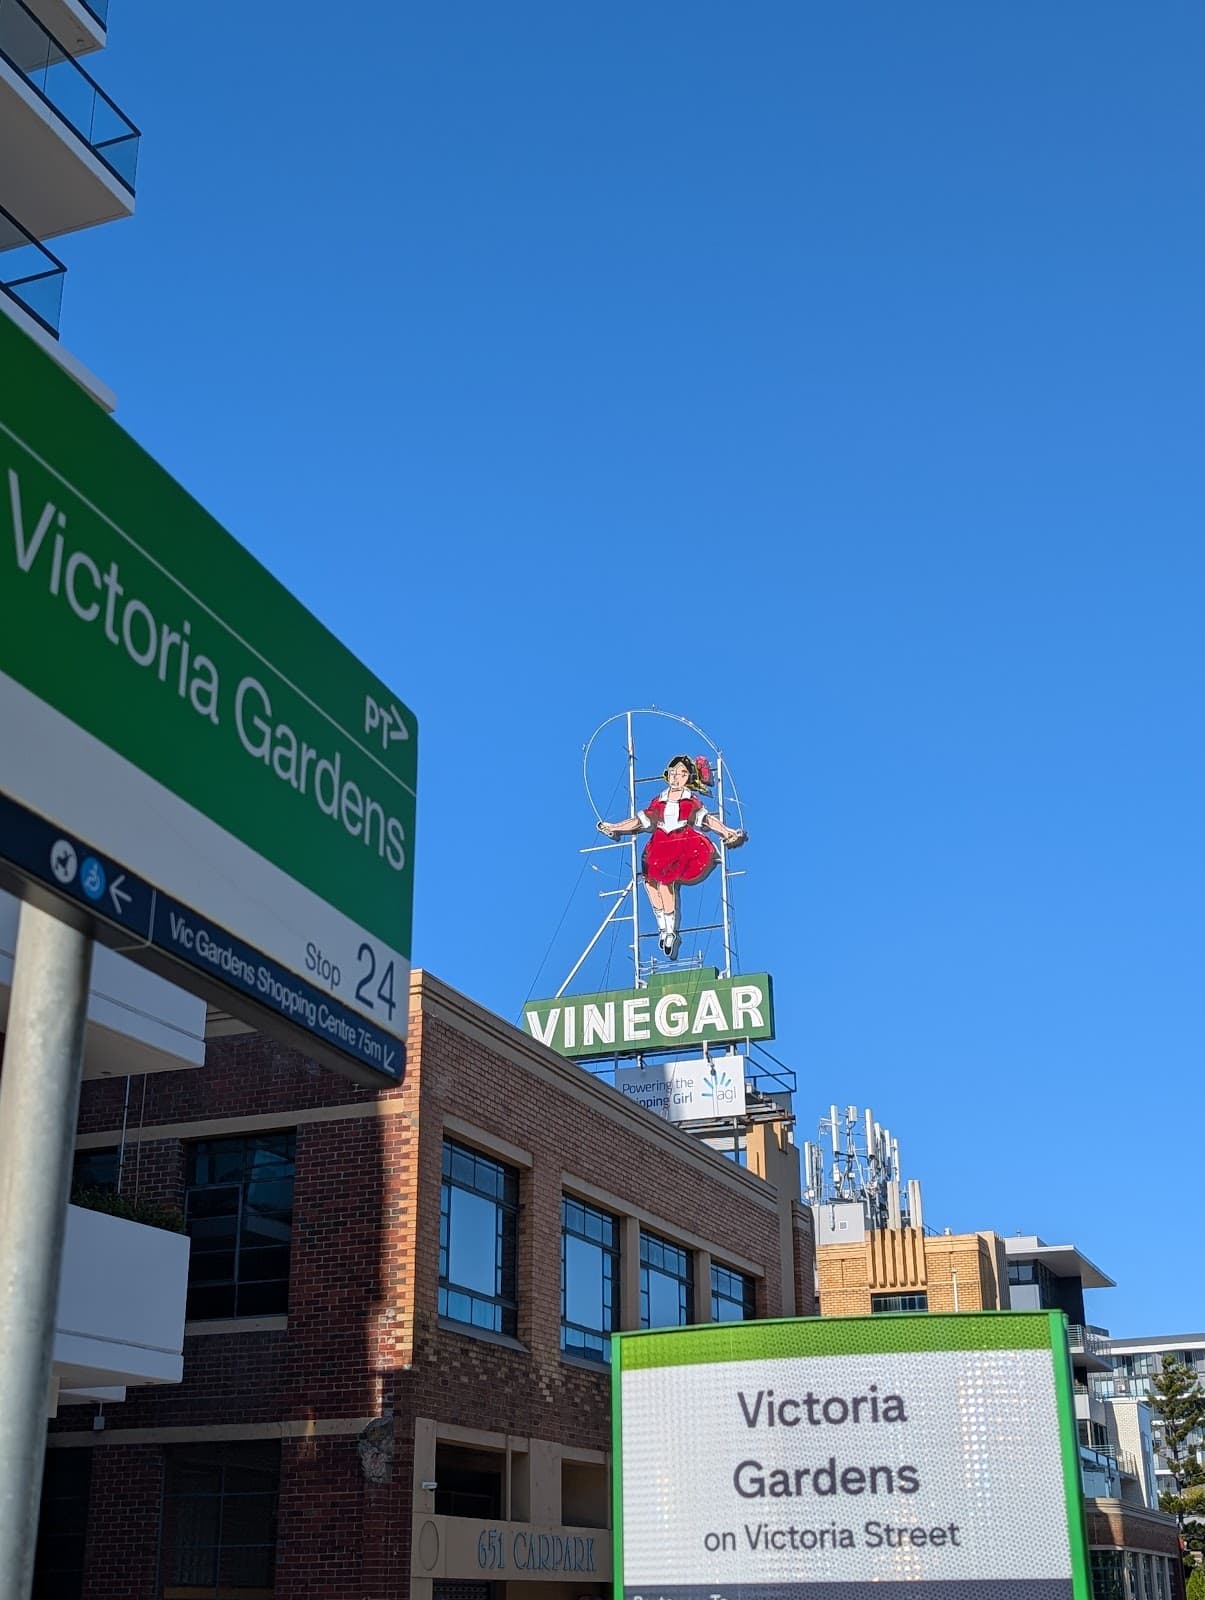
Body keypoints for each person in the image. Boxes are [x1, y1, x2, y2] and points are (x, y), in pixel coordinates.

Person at [597, 754, 747, 958]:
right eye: (674, 772)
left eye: (683, 773)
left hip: (680, 843)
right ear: (668, 774)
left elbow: (708, 821)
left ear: (689, 778)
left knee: (666, 885)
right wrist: (615, 827)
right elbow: (641, 820)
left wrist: (727, 832)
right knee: (650, 884)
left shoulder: (690, 801)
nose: (677, 777)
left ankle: (670, 932)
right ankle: (663, 927)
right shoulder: (659, 800)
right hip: (658, 846)